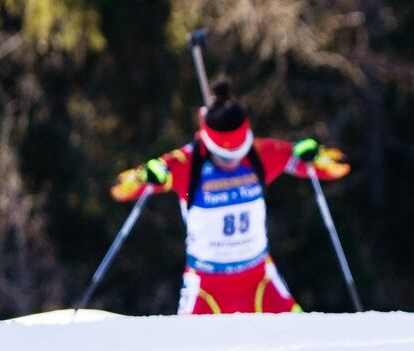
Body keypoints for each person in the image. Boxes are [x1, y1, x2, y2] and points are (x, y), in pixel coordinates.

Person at [110, 80, 350, 314]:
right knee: (185, 340)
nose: (232, 162)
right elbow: (120, 188)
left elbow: (339, 166)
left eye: (238, 153)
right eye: (224, 157)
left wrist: (315, 155)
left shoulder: (258, 154)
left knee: (305, 332)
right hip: (206, 286)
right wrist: (144, 176)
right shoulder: (188, 163)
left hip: (259, 280)